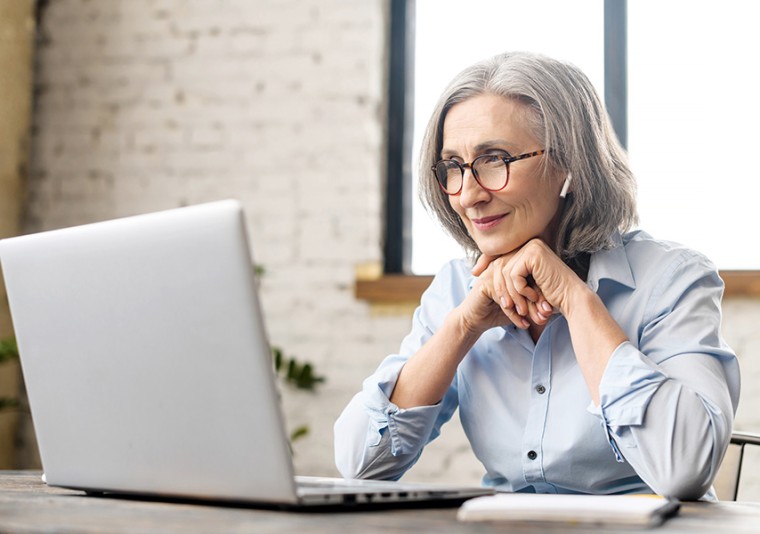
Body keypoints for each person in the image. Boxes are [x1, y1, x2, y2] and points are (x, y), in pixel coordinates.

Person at [334, 51, 740, 500]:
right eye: (453, 166)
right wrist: (464, 325)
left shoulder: (672, 279)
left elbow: (684, 469)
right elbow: (359, 465)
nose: (468, 195)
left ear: (568, 162)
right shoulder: (455, 289)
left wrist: (575, 298)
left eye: (495, 159)